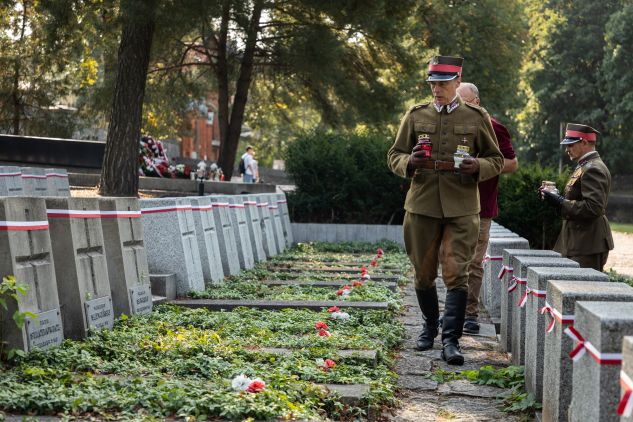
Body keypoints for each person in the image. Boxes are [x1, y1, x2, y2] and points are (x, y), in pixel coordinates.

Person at [387, 55, 504, 365]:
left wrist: (477, 165)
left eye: (442, 83)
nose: (436, 88)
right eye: (432, 83)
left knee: (457, 273)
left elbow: (497, 159)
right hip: (422, 204)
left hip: (462, 206)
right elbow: (394, 154)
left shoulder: (477, 117)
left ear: (457, 81)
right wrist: (408, 163)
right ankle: (428, 328)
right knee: (423, 273)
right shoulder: (415, 115)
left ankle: (451, 340)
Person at [456, 82, 519, 334]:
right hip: (451, 204)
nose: (462, 107)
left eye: (466, 102)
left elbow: (512, 163)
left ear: (477, 102)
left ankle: (469, 314)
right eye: (457, 102)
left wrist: (480, 165)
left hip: (481, 207)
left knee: (473, 262)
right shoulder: (450, 125)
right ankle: (453, 312)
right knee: (451, 261)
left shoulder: (493, 126)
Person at [540, 123, 614, 271]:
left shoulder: (593, 168)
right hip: (580, 242)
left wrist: (561, 202)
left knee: (584, 291)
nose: (567, 149)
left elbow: (593, 208)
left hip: (587, 244)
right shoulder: (585, 166)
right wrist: (555, 198)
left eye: (571, 145)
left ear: (584, 142)